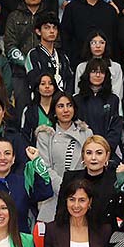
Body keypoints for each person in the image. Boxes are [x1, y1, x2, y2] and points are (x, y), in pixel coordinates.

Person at [35, 91, 92, 222]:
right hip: (53, 196)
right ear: (54, 110)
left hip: (81, 196)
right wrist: (64, 187)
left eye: (69, 105)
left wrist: (77, 191)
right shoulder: (45, 135)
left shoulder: (86, 133)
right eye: (60, 106)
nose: (66, 110)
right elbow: (44, 167)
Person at [57, 134, 124, 227]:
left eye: (99, 153)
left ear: (107, 156)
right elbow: (60, 214)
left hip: (106, 232)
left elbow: (123, 213)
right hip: (74, 231)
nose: (93, 158)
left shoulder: (115, 179)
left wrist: (123, 180)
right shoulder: (70, 178)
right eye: (89, 153)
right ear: (83, 156)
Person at [60, 0, 118, 67]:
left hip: (105, 64)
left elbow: (115, 39)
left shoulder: (110, 11)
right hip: (77, 62)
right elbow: (65, 36)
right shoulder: (72, 8)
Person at [73, 58, 122, 158]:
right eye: (94, 71)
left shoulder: (113, 99)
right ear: (87, 74)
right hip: (81, 151)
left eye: (101, 72)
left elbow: (116, 128)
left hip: (107, 151)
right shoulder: (77, 100)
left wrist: (104, 149)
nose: (98, 75)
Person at [25, 13, 74, 95]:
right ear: (38, 31)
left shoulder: (62, 56)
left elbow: (69, 80)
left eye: (54, 28)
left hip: (62, 99)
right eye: (47, 28)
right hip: (42, 99)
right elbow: (33, 81)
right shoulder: (33, 54)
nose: (52, 31)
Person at [73, 29, 122, 99]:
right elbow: (78, 92)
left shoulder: (115, 67)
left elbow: (117, 94)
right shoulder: (81, 67)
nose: (98, 46)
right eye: (93, 43)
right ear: (88, 45)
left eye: (102, 42)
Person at [20, 72, 58, 144]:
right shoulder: (29, 110)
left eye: (50, 84)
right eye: (43, 84)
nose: (47, 86)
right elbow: (24, 135)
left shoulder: (60, 108)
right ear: (37, 88)